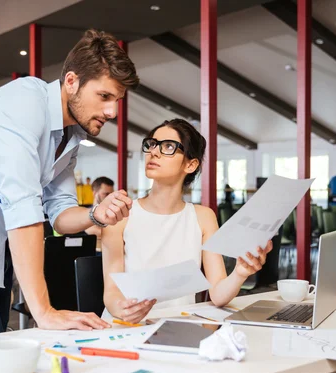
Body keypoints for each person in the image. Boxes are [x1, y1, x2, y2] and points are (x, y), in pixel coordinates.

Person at [0, 29, 140, 339]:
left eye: (118, 100)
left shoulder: (71, 134)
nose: (112, 111)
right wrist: (44, 312)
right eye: (104, 96)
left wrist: (95, 214)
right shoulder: (23, 104)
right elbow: (22, 207)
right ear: (71, 81)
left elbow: (60, 213)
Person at [101, 119, 272, 323]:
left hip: (179, 326)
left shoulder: (203, 217)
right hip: (126, 325)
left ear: (191, 164)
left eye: (168, 147)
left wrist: (240, 273)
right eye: (152, 144)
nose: (153, 152)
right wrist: (123, 310)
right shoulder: (120, 214)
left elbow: (217, 294)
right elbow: (111, 292)